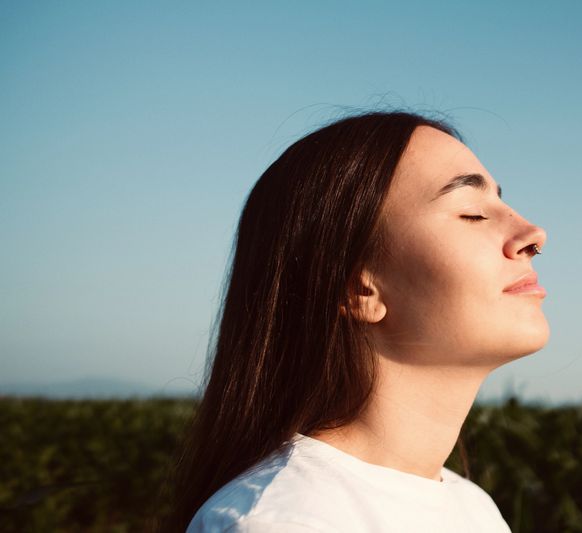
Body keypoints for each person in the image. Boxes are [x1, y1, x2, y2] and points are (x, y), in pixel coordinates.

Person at [160, 109, 548, 532]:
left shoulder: (473, 508)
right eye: (472, 212)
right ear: (359, 288)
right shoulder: (285, 521)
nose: (533, 235)